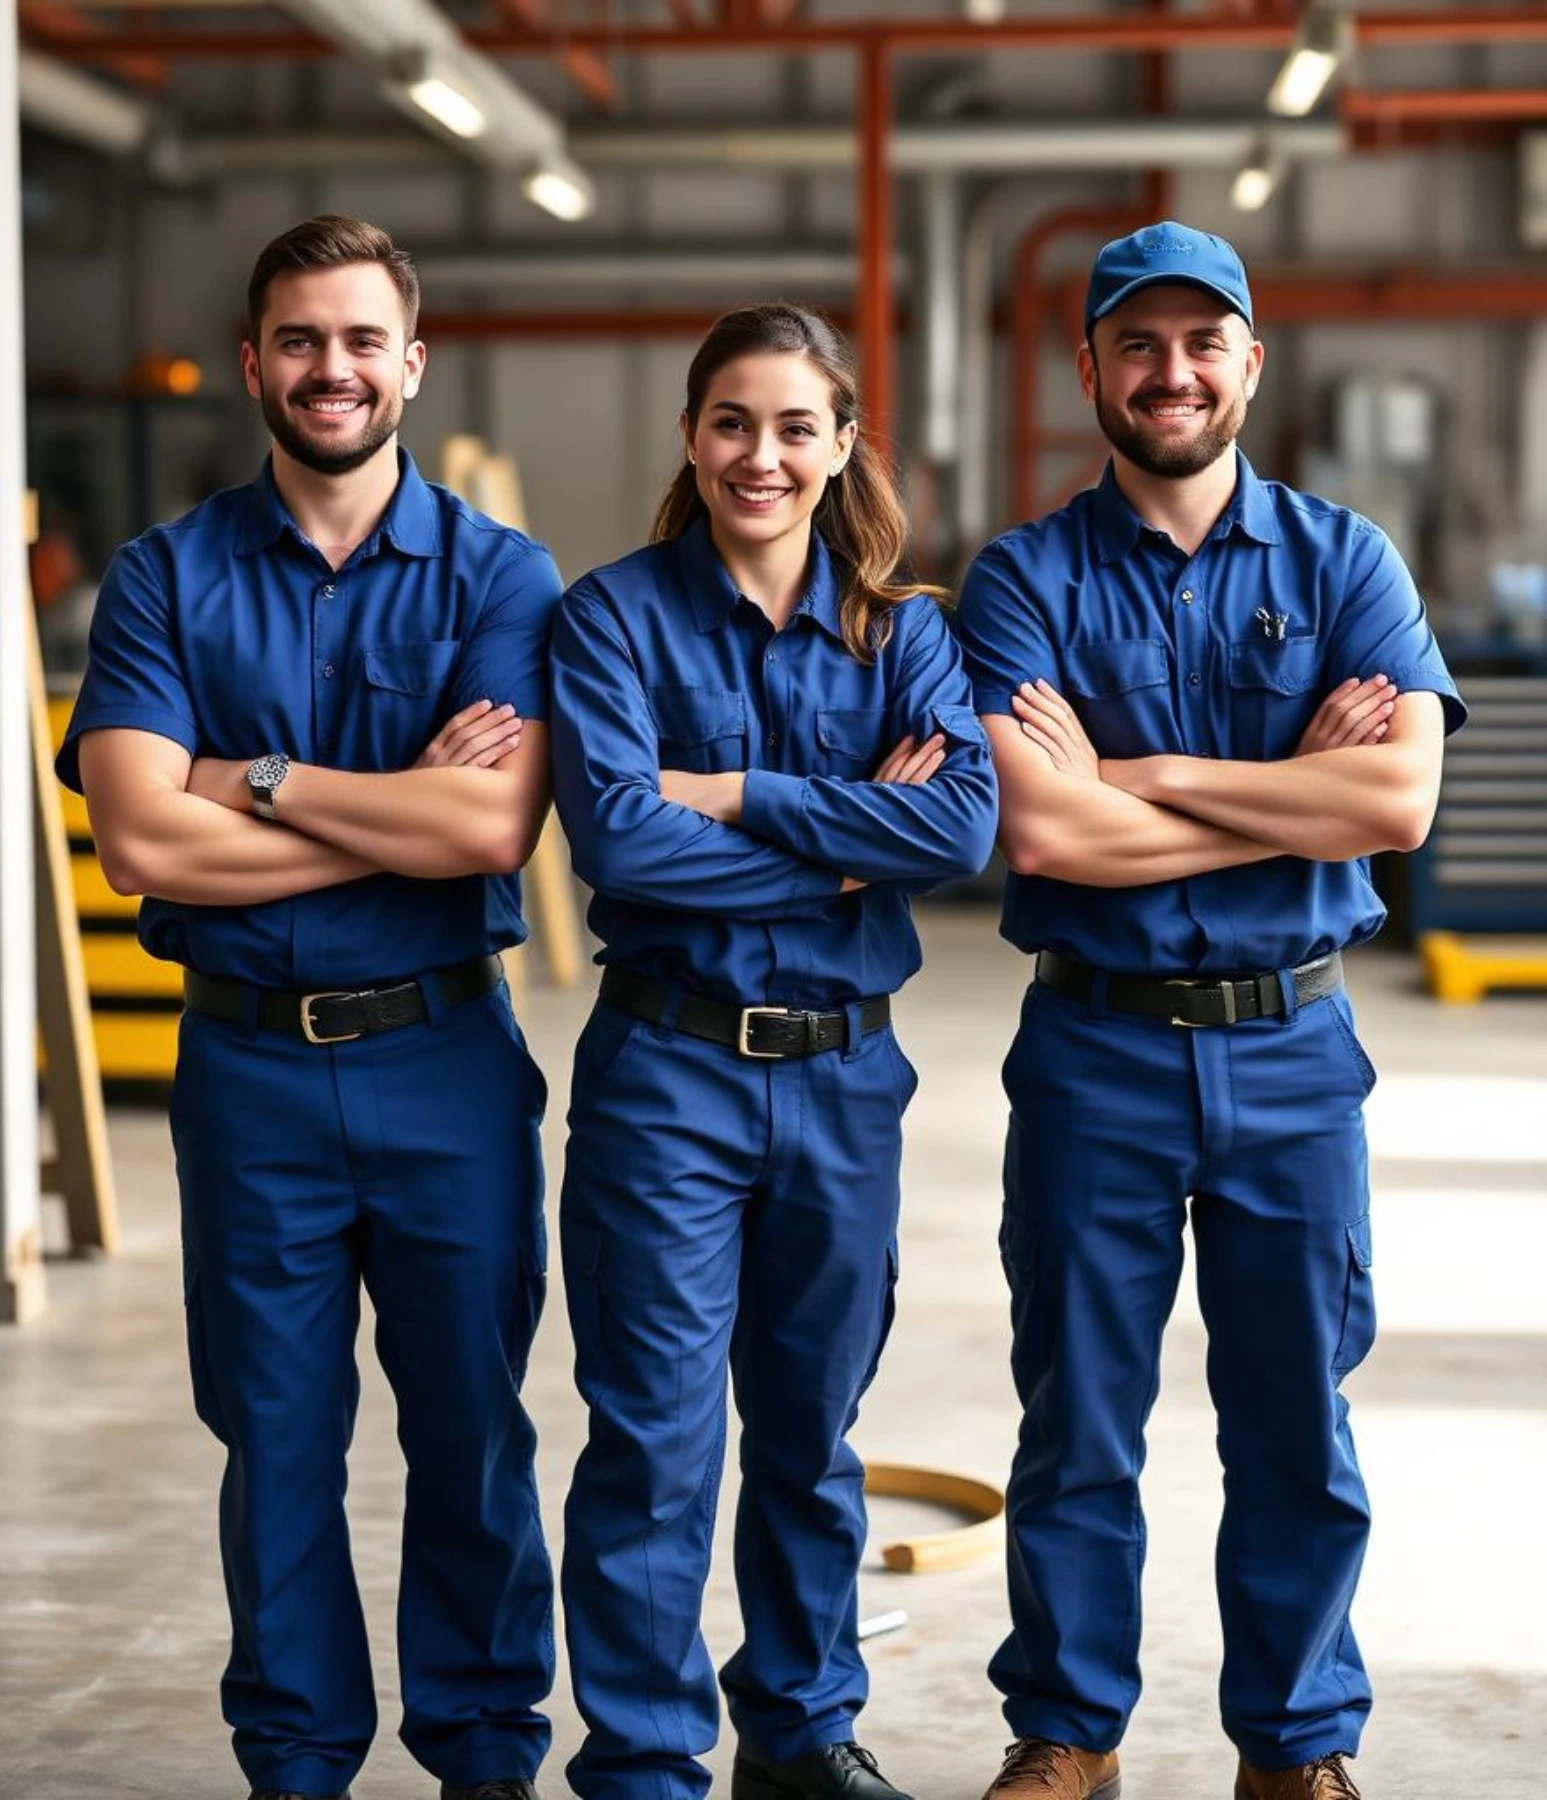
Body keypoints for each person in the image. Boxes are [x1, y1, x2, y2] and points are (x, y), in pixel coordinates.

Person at [955, 222, 1465, 1800]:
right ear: (1092, 368)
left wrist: (1150, 777)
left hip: (1293, 1050)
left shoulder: (1345, 562)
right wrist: (1282, 791)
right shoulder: (1021, 577)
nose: (1168, 372)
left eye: (1200, 343)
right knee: (1078, 1422)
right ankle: (1069, 1735)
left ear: (1248, 362)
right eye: (1135, 344)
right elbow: (1039, 833)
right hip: (1095, 1044)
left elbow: (1394, 803)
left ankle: (1292, 1747)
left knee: (1294, 1425)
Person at [57, 216, 560, 1800]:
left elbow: (486, 834)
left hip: (446, 1063)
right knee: (275, 1446)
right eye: (297, 340)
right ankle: (295, 1766)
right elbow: (138, 833)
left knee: (472, 1434)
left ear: (410, 362)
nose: (329, 369)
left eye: (360, 340)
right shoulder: (165, 573)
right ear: (259, 359)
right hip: (250, 1077)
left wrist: (253, 783)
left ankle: (483, 1757)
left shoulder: (501, 574)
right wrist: (385, 807)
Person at [548, 303, 998, 1800]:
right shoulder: (609, 618)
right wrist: (843, 841)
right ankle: (644, 1762)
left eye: (794, 425)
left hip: (841, 1078)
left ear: (841, 443)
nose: (761, 453)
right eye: (731, 421)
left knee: (809, 1435)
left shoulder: (904, 629)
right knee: (656, 1443)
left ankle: (801, 1739)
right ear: (690, 435)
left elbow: (958, 824)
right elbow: (616, 839)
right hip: (665, 1077)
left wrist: (733, 797)